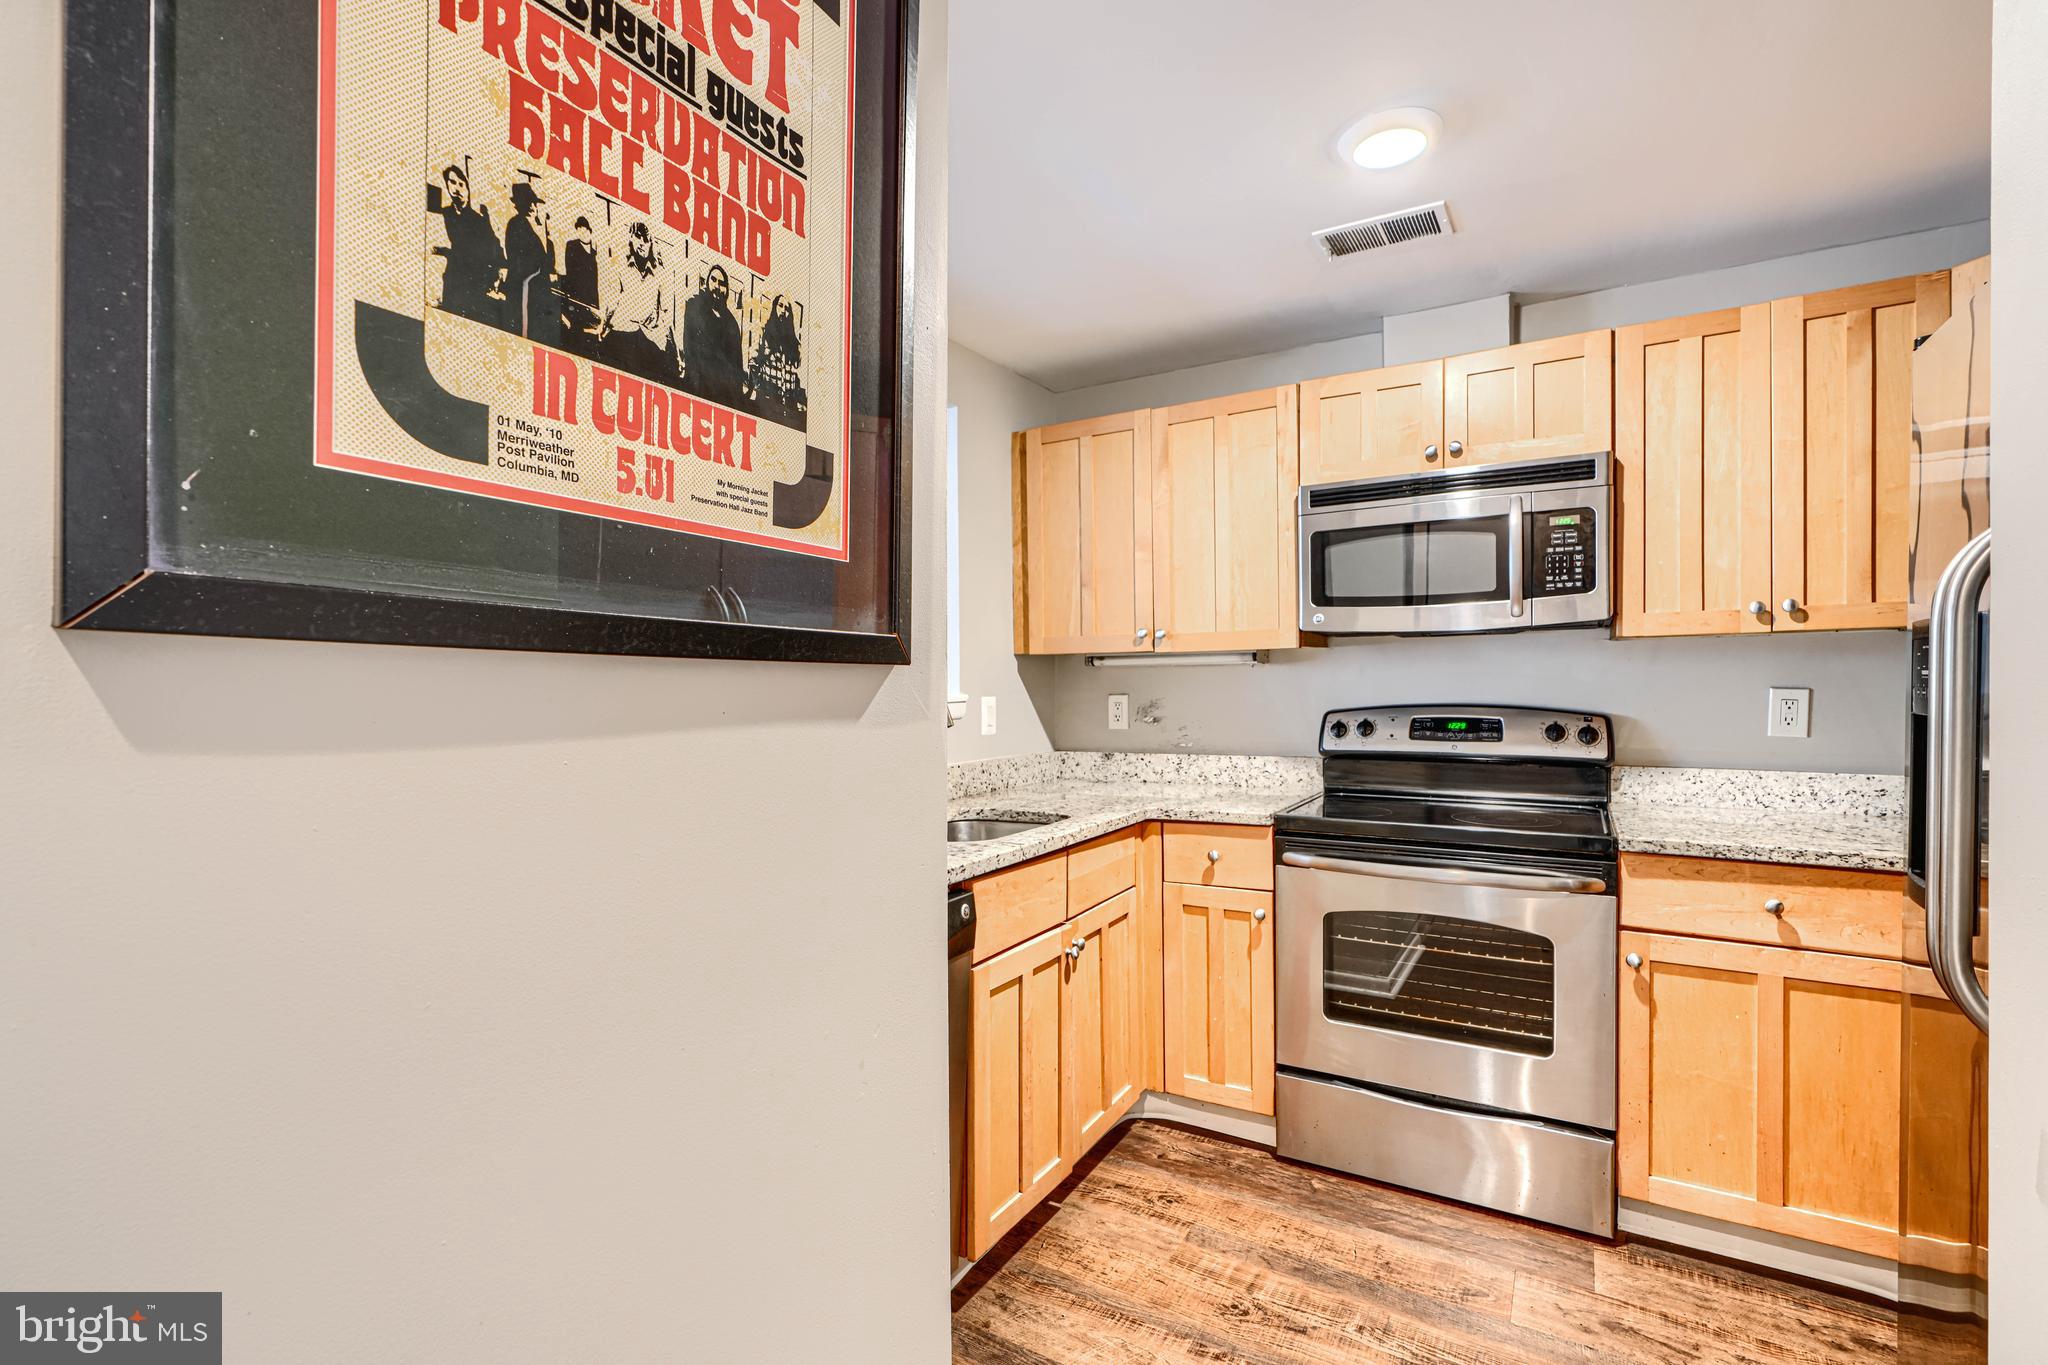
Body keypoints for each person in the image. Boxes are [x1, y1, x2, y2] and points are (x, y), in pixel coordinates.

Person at [428, 164, 503, 326]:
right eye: (452, 183)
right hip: (452, 280)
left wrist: (492, 278)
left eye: (461, 184)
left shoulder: (479, 220)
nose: (457, 188)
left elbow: (493, 249)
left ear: (467, 188)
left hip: (474, 284)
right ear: (447, 186)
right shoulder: (444, 214)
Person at [602, 222, 675, 383]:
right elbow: (612, 301)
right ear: (631, 240)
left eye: (646, 239)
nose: (642, 243)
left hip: (650, 339)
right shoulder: (620, 266)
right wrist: (604, 325)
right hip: (623, 333)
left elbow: (666, 311)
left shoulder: (661, 274)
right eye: (637, 237)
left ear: (651, 243)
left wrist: (668, 343)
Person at [682, 263, 745, 409]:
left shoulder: (732, 323)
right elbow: (689, 347)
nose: (717, 286)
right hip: (698, 388)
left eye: (722, 283)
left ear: (727, 289)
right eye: (713, 280)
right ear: (707, 282)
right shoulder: (693, 306)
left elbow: (737, 365)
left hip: (723, 396)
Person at [502, 180, 558, 341]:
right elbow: (516, 259)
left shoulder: (535, 226)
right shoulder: (516, 224)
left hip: (536, 289)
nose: (534, 208)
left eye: (535, 204)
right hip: (522, 288)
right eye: (531, 204)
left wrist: (548, 236)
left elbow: (548, 261)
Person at [747, 293, 806, 429]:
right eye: (780, 306)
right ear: (774, 308)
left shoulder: (795, 345)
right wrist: (760, 390)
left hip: (788, 406)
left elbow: (797, 374)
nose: (783, 311)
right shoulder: (764, 333)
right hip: (767, 402)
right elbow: (753, 363)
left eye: (787, 308)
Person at [561, 216, 600, 356]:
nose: (581, 233)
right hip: (577, 295)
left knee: (591, 329)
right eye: (578, 230)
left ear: (589, 231)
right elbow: (569, 270)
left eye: (584, 230)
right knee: (576, 327)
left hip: (592, 296)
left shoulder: (596, 250)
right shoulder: (572, 245)